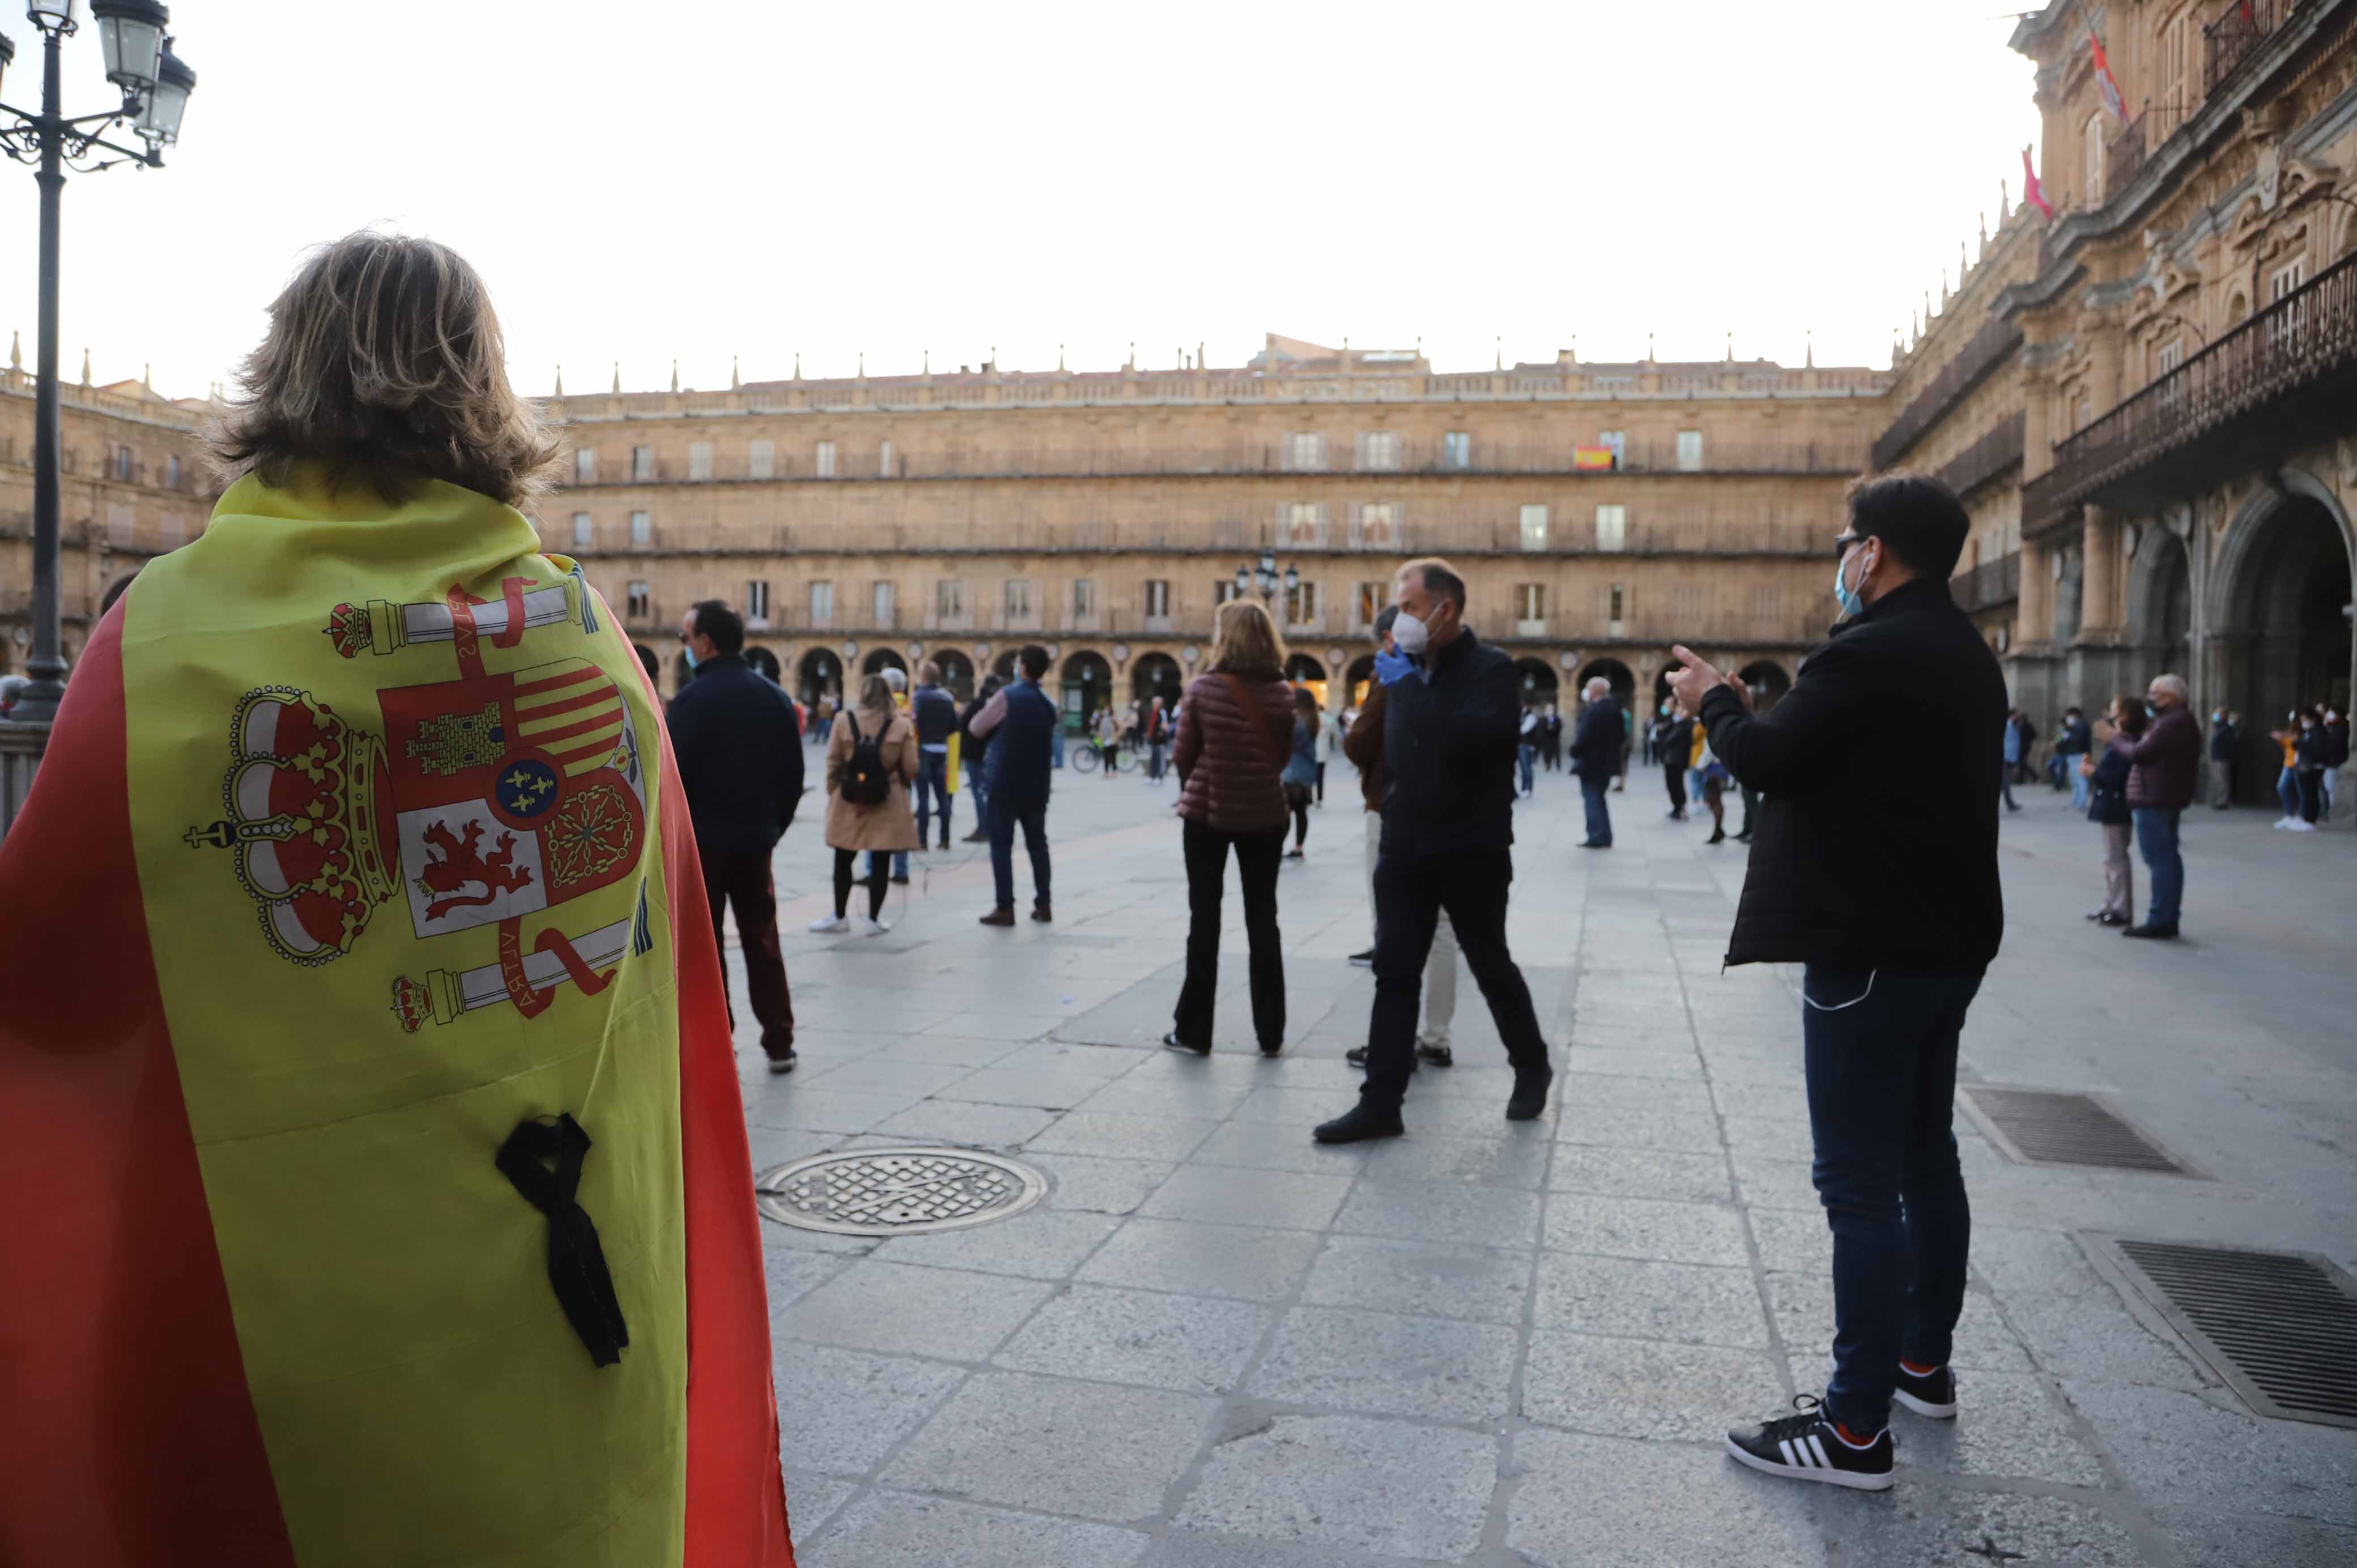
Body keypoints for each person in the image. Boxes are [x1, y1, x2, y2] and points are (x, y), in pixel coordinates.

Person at [0, 231, 793, 1559]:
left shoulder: (167, 643)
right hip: (584, 1316)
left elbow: (45, 990)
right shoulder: (588, 639)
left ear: (287, 373)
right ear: (483, 394)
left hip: (304, 1343)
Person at [1670, 474, 2004, 1494]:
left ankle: (1855, 1428)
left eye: (1848, 540)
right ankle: (1920, 1364)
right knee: (1924, 1154)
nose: (1842, 554)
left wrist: (1715, 699)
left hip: (1870, 946)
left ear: (1878, 553)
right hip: (1949, 939)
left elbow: (1769, 756)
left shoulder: (1868, 650)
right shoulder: (1962, 651)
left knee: (1858, 1184)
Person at [1315, 558, 1554, 1144]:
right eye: (1398, 607)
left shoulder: (1491, 672)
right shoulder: (1402, 670)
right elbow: (1377, 747)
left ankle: (1530, 1064)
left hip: (1470, 849)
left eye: (1412, 607)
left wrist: (1406, 688)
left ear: (1446, 610)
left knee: (1489, 962)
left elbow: (1460, 743)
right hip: (1404, 847)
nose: (1400, 618)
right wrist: (1381, 694)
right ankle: (1380, 1103)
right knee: (1393, 972)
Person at [670, 598, 806, 1072]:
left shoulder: (688, 703)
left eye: (686, 638)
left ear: (705, 643)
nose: (684, 647)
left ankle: (718, 1041)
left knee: (707, 949)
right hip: (755, 841)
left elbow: (672, 779)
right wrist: (773, 827)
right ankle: (779, 1041)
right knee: (762, 938)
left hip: (704, 845)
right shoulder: (774, 697)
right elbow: (794, 773)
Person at [1165, 599, 1295, 1055]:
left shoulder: (1202, 688)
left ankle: (1195, 1032)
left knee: (1205, 920)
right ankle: (1271, 1032)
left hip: (1207, 815)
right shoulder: (1283, 692)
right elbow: (1280, 758)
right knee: (1264, 920)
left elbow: (1182, 755)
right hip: (1265, 815)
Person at [1341, 606, 1460, 1065]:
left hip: (1391, 809)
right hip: (1447, 813)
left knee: (1393, 928)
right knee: (1443, 930)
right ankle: (1437, 1038)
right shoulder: (1455, 672)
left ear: (1389, 638)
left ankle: (1394, 1041)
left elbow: (1359, 744)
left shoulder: (1391, 675)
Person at [812, 673, 917, 935]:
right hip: (887, 797)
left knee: (843, 858)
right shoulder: (901, 725)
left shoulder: (843, 720)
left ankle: (839, 916)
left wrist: (833, 791)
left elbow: (833, 761)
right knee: (881, 860)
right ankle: (873, 920)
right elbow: (912, 768)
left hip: (850, 797)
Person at [970, 645, 1057, 924]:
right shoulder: (1048, 703)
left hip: (1004, 784)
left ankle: (1005, 907)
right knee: (1038, 845)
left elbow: (976, 727)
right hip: (1036, 785)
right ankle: (1044, 904)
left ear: (1022, 667)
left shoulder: (1005, 696)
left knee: (1001, 846)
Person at [2122, 673, 2198, 938]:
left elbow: (2141, 754)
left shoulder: (2174, 722)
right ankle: (2166, 917)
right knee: (2166, 858)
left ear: (2170, 698)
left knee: (2160, 859)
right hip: (2160, 796)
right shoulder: (2172, 721)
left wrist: (2113, 738)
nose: (2150, 699)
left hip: (2155, 798)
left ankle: (2161, 919)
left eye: (2154, 694)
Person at [2082, 694, 2143, 927]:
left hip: (2117, 806)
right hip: (2113, 806)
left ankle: (2120, 909)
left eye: (2115, 710)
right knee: (2111, 859)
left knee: (2116, 858)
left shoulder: (2124, 742)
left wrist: (2092, 772)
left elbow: (2116, 777)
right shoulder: (2121, 741)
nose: (2109, 714)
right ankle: (2112, 904)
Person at [910, 661, 960, 850]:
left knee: (923, 797)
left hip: (923, 749)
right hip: (942, 750)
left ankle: (922, 841)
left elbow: (914, 721)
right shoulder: (947, 697)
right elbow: (955, 725)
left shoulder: (920, 696)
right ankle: (945, 840)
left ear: (923, 677)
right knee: (943, 797)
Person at [1569, 676, 1621, 848]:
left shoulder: (1594, 710)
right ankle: (1605, 835)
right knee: (1600, 799)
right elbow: (1622, 736)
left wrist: (1574, 750)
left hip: (1591, 763)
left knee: (1592, 799)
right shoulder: (1614, 709)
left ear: (1595, 691)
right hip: (1606, 763)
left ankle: (1596, 836)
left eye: (1588, 688)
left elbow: (1584, 736)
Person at [960, 672, 1003, 841]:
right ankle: (991, 826)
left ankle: (984, 828)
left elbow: (965, 724)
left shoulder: (978, 704)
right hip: (991, 753)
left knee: (978, 791)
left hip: (974, 753)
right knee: (988, 791)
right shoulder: (998, 705)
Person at [1282, 688, 1319, 858]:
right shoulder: (1312, 721)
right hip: (1305, 775)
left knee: (1286, 812)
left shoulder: (1298, 724)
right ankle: (1298, 847)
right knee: (1301, 812)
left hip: (1292, 774)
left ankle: (1279, 846)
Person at [2292, 706, 2330, 830]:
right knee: (2306, 793)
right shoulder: (2310, 732)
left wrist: (2302, 744)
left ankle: (2310, 819)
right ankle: (2306, 816)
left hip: (2313, 766)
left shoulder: (2319, 732)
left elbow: (2315, 749)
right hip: (2306, 766)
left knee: (2311, 793)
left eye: (2305, 720)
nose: (2304, 723)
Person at [1652, 703, 1692, 820]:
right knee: (1671, 785)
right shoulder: (1675, 724)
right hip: (1671, 760)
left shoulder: (1684, 725)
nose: (1677, 714)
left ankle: (1680, 808)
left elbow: (1669, 740)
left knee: (1676, 785)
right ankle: (1676, 807)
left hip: (1676, 761)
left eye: (1680, 712)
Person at [2056, 706, 2093, 808]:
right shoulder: (2072, 726)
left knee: (2081, 779)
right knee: (2075, 780)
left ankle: (2082, 802)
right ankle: (2076, 800)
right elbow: (2059, 740)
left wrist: (2067, 737)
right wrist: (2062, 736)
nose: (2068, 718)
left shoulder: (2081, 725)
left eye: (2069, 716)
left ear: (2074, 715)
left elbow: (2077, 739)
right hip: (2073, 755)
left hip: (2079, 755)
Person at [1998, 708, 2023, 812]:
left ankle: (2010, 804)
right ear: (2012, 716)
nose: (2019, 718)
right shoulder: (2007, 726)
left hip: (2011, 758)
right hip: (2005, 758)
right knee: (2005, 783)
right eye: (2017, 715)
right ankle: (2010, 805)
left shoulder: (2015, 727)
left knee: (2004, 783)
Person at [1145, 695, 1171, 783]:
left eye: (1156, 703)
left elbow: (1165, 725)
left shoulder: (1162, 712)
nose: (1154, 704)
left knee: (1160, 758)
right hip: (1153, 740)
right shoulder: (1153, 712)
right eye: (1154, 703)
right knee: (1153, 758)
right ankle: (1152, 776)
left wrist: (1162, 733)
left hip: (1160, 741)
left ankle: (1159, 777)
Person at [1517, 705, 1540, 797]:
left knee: (1527, 768)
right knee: (1523, 768)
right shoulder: (1523, 717)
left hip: (1527, 746)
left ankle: (1528, 789)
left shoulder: (1531, 717)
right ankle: (1523, 789)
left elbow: (1523, 730)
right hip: (1521, 746)